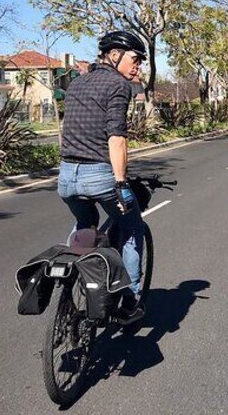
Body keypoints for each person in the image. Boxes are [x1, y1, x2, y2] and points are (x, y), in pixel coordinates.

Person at [57, 30, 149, 324]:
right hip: (99, 175)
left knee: (85, 224)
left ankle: (73, 281)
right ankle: (130, 301)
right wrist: (121, 182)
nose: (138, 66)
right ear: (114, 55)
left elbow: (68, 131)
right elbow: (116, 138)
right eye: (135, 59)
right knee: (133, 226)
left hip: (67, 176)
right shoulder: (119, 86)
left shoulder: (76, 83)